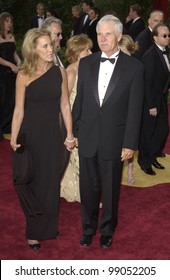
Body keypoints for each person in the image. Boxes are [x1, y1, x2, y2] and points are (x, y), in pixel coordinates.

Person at [72, 15, 144, 248]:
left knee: (111, 189)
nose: (102, 38)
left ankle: (107, 229)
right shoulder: (86, 63)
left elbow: (135, 110)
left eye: (108, 34)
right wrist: (73, 132)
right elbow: (79, 102)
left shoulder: (135, 67)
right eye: (100, 34)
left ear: (119, 36)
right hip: (88, 136)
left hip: (115, 139)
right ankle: (88, 228)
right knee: (88, 188)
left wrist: (130, 143)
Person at [10, 28, 75, 250]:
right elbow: (18, 110)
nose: (51, 48)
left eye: (51, 44)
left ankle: (47, 227)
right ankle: (33, 232)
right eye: (45, 46)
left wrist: (69, 133)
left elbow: (65, 104)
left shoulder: (59, 72)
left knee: (49, 182)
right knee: (30, 181)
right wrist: (14, 136)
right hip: (30, 135)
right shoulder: (23, 74)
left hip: (52, 135)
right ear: (33, 49)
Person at [60, 34, 92, 202]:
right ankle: (81, 193)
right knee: (76, 157)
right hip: (72, 120)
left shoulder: (86, 68)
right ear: (78, 52)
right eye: (87, 49)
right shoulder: (70, 72)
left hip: (85, 119)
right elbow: (63, 102)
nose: (90, 51)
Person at [138, 23, 170, 175]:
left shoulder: (165, 52)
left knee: (162, 130)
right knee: (149, 133)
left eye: (169, 35)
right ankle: (144, 161)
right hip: (152, 102)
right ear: (155, 38)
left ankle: (152, 156)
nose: (168, 38)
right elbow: (147, 82)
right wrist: (151, 105)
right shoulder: (150, 56)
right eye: (164, 35)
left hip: (161, 99)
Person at [41, 17, 69, 179]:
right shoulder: (41, 61)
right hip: (48, 121)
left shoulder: (56, 57)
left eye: (61, 34)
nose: (60, 37)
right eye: (57, 34)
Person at [119, 34, 139, 184]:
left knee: (129, 141)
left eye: (121, 49)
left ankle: (130, 169)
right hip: (118, 109)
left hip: (130, 108)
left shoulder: (135, 65)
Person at [0, 12, 21, 134]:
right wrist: (11, 65)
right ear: (1, 22)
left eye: (11, 21)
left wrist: (19, 62)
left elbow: (14, 54)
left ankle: (9, 126)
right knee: (3, 100)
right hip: (2, 73)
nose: (9, 23)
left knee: (12, 99)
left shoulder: (12, 37)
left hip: (13, 73)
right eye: (6, 21)